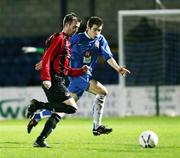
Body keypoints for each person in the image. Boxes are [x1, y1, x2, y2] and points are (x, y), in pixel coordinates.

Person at [27, 16, 130, 145]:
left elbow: (108, 57)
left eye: (100, 30)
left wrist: (118, 68)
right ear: (88, 28)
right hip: (75, 76)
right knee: (102, 92)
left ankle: (39, 127)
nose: (97, 33)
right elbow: (57, 49)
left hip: (85, 74)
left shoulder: (101, 40)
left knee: (64, 109)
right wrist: (45, 61)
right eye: (95, 30)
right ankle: (96, 127)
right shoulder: (77, 38)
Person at [26, 12, 90, 148]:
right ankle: (38, 105)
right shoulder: (59, 39)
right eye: (74, 27)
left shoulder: (65, 40)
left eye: (78, 27)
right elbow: (47, 58)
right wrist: (47, 78)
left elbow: (64, 69)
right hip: (54, 81)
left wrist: (80, 71)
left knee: (58, 113)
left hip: (59, 79)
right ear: (66, 24)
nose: (76, 29)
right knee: (72, 108)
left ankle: (40, 140)